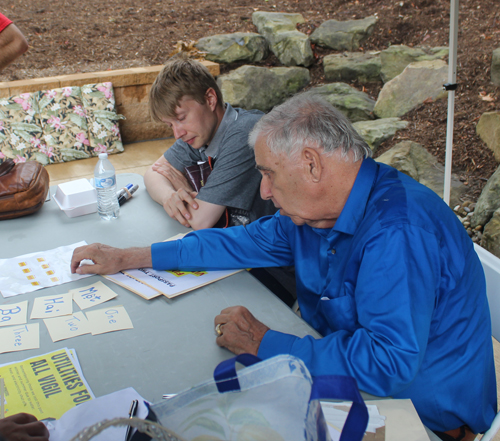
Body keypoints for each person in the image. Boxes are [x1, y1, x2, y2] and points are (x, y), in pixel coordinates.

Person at [71, 92, 497, 439]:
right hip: (350, 382)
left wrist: (265, 343)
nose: (265, 190)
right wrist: (131, 257)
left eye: (269, 173)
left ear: (311, 164)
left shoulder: (397, 231)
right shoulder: (316, 214)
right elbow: (238, 242)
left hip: (423, 419)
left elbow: (388, 363)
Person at [144, 56, 275, 230]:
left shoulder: (245, 133)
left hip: (270, 248)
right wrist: (171, 196)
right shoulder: (198, 134)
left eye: (181, 118)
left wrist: (185, 187)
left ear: (210, 99)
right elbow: (152, 173)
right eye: (170, 125)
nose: (177, 133)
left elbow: (200, 221)